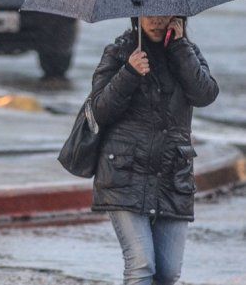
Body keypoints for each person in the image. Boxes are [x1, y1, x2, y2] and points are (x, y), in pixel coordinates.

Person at [89, 16, 218, 284]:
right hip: (124, 173)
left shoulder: (187, 52)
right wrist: (129, 72)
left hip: (173, 175)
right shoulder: (120, 51)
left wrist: (180, 48)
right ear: (137, 16)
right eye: (150, 14)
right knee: (141, 264)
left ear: (178, 17)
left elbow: (205, 94)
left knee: (168, 272)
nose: (157, 22)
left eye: (165, 14)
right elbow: (99, 110)